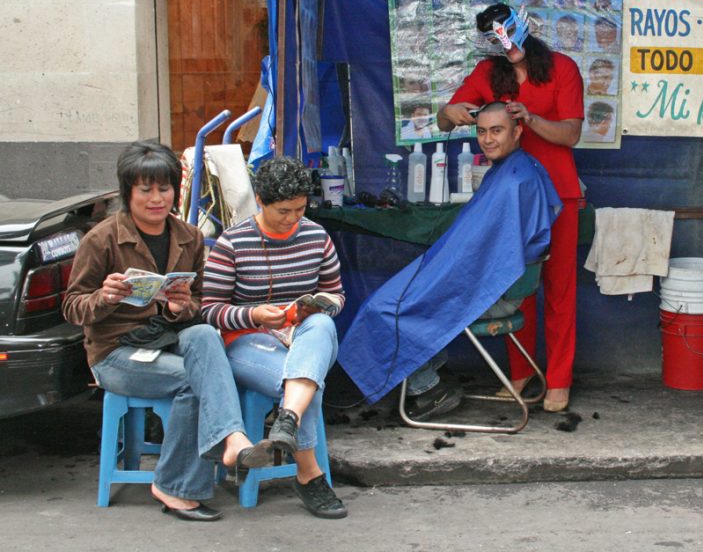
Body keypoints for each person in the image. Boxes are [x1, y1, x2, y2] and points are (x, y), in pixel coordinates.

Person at [63, 141, 274, 522]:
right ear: (128, 193)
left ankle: (231, 441)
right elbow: (72, 307)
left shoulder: (189, 237)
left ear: (176, 191)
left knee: (205, 335)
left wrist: (180, 307)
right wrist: (106, 297)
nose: (156, 198)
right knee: (194, 382)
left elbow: (197, 306)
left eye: (164, 188)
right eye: (145, 189)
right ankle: (180, 482)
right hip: (116, 352)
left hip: (166, 339)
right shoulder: (102, 239)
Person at [337, 102, 560, 416]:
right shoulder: (515, 172)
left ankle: (429, 388)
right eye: (482, 131)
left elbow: (492, 256)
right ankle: (416, 370)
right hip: (487, 283)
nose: (488, 139)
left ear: (518, 130)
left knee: (386, 311)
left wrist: (439, 278)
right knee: (395, 300)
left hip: (493, 293)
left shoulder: (515, 182)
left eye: (497, 131)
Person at [437, 3, 583, 413]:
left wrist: (530, 118)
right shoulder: (488, 74)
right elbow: (443, 120)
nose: (507, 45)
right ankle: (522, 375)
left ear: (523, 28)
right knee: (517, 287)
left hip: (559, 194)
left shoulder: (562, 68)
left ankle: (558, 380)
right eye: (496, 40)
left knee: (559, 289)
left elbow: (571, 133)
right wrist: (452, 112)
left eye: (509, 34)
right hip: (512, 197)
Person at [201, 157, 347, 519]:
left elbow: (337, 295)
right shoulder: (233, 243)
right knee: (305, 383)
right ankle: (308, 472)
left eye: (300, 209)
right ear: (262, 202)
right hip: (247, 342)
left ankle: (287, 423)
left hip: (302, 336)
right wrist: (254, 314)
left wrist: (319, 306)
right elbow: (209, 309)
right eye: (284, 211)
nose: (293, 219)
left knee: (324, 327)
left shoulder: (316, 236)